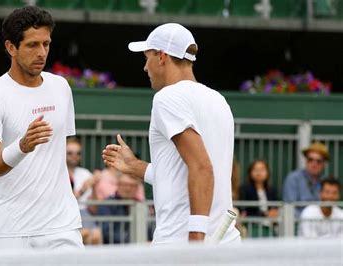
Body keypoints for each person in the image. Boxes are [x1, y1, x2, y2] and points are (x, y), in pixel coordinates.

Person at [102, 23, 240, 244]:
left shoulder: (167, 98)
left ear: (162, 56)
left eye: (146, 57)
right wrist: (135, 166)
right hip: (227, 242)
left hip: (183, 242)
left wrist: (196, 238)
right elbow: (181, 174)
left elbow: (201, 166)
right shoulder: (218, 100)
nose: (145, 67)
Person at [0, 6, 82, 250]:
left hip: (62, 226)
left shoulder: (62, 87)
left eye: (46, 44)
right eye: (32, 45)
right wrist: (22, 146)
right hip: (9, 231)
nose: (42, 53)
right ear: (11, 47)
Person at [66, 137, 102, 245]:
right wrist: (84, 188)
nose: (74, 156)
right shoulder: (59, 174)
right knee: (84, 234)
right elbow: (67, 200)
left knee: (96, 236)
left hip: (84, 213)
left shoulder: (85, 173)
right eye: (70, 153)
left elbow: (94, 208)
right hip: (67, 214)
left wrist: (95, 185)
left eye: (78, 153)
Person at [283, 142, 329, 216]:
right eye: (310, 160)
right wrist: (307, 220)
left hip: (322, 223)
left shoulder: (327, 181)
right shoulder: (293, 178)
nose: (314, 164)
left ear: (324, 163)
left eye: (318, 161)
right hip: (298, 223)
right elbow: (289, 207)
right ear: (306, 160)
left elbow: (330, 207)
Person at [97, 173, 142, 244]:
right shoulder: (107, 204)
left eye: (132, 185)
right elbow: (106, 232)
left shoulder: (141, 205)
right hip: (114, 250)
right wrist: (131, 240)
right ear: (118, 185)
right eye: (124, 184)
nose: (128, 189)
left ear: (137, 188)